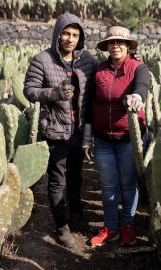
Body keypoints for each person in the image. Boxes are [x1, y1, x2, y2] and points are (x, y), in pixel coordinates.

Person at [23, 13, 98, 248]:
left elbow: (101, 79)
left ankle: (76, 217)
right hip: (56, 129)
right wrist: (53, 93)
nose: (70, 38)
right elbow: (29, 90)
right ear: (58, 34)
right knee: (57, 180)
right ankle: (61, 226)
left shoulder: (87, 60)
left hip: (79, 129)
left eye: (75, 35)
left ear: (80, 38)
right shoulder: (42, 60)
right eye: (66, 33)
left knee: (76, 178)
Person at [90, 25, 150, 247]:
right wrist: (88, 132)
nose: (116, 46)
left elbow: (142, 86)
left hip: (129, 138)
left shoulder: (138, 68)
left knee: (128, 184)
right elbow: (91, 102)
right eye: (111, 42)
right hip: (103, 138)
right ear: (106, 46)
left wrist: (137, 97)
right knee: (108, 186)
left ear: (127, 46)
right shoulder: (99, 70)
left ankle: (127, 226)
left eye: (120, 42)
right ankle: (111, 228)